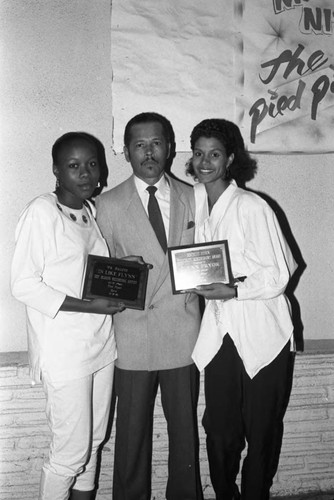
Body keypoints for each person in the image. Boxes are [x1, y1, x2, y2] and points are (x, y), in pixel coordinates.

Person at [11, 132, 127, 500]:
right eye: (74, 165)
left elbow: (82, 275)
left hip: (100, 345)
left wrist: (123, 269)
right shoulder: (41, 212)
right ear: (56, 170)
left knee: (93, 443)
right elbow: (23, 285)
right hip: (65, 352)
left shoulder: (87, 211)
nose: (85, 172)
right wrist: (88, 306)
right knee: (69, 453)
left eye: (92, 164)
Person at [186, 118, 297, 500]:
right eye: (198, 153)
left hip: (264, 336)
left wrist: (233, 291)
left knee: (262, 429)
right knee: (219, 430)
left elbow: (279, 275)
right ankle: (225, 494)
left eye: (214, 154)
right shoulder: (199, 207)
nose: (205, 162)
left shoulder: (251, 206)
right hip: (221, 336)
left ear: (230, 158)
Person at [96, 112, 203, 500]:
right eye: (139, 144)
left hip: (182, 331)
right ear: (126, 152)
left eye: (156, 142)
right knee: (131, 436)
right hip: (131, 335)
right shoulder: (105, 206)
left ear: (171, 148)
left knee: (184, 433)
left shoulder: (195, 196)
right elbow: (95, 273)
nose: (149, 151)